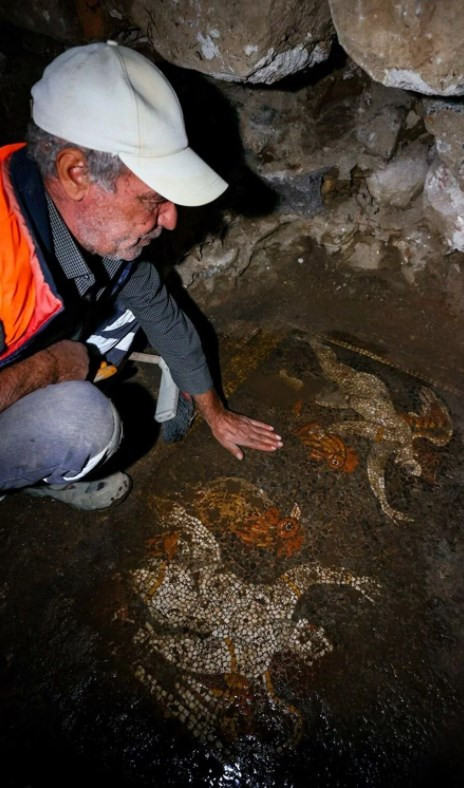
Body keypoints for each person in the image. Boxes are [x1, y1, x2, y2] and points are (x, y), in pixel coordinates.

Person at [0, 41, 282, 511]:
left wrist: (215, 413)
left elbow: (164, 316)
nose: (171, 219)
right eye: (153, 199)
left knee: (131, 306)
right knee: (85, 422)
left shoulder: (96, 232)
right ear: (76, 173)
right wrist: (49, 368)